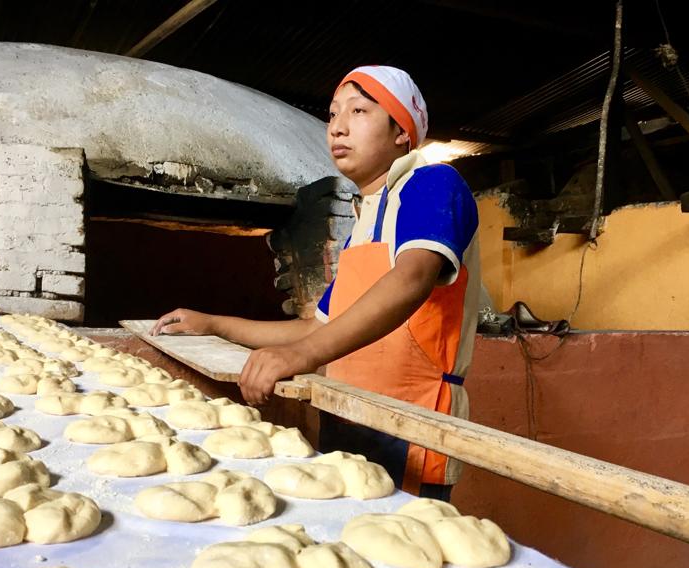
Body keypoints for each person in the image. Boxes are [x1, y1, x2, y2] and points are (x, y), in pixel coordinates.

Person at [152, 65, 481, 500]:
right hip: (345, 414)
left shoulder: (433, 183)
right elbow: (316, 328)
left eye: (359, 111)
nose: (338, 127)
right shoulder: (361, 226)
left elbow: (413, 277)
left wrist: (300, 356)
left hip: (410, 425)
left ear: (402, 131)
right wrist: (213, 323)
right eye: (332, 114)